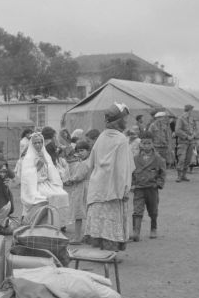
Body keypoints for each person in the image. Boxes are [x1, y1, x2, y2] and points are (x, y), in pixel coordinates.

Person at [84, 103, 134, 251]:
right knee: (112, 221)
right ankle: (110, 252)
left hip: (98, 186)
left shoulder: (101, 137)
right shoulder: (122, 140)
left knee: (101, 220)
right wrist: (124, 189)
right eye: (124, 118)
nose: (126, 121)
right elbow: (123, 168)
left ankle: (103, 251)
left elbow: (91, 162)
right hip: (113, 189)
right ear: (119, 120)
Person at [20, 131, 69, 226]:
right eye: (35, 143)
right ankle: (43, 223)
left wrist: (47, 163)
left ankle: (58, 223)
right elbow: (27, 176)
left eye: (40, 142)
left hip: (47, 183)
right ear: (32, 144)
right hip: (35, 185)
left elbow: (52, 171)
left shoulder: (46, 154)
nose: (38, 145)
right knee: (47, 197)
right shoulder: (28, 157)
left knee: (62, 194)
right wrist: (38, 166)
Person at [130, 135, 166, 241]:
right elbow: (131, 172)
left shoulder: (158, 159)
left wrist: (158, 184)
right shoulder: (135, 159)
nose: (146, 146)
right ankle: (136, 232)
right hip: (139, 188)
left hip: (152, 188)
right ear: (140, 144)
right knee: (137, 210)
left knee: (153, 210)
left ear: (152, 144)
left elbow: (162, 173)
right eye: (144, 143)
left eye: (149, 143)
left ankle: (153, 228)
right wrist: (132, 184)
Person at [63, 139, 91, 244]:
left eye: (82, 150)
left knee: (78, 214)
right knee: (87, 213)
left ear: (88, 151)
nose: (80, 153)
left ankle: (78, 237)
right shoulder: (88, 161)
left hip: (81, 188)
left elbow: (78, 177)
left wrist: (70, 180)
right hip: (88, 187)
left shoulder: (83, 163)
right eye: (78, 151)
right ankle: (88, 235)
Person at [174, 104, 196, 182]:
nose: (191, 112)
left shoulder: (191, 119)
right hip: (183, 142)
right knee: (181, 159)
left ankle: (184, 175)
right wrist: (187, 136)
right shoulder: (180, 118)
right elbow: (177, 130)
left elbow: (193, 128)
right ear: (189, 110)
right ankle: (179, 176)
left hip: (190, 142)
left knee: (188, 159)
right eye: (191, 110)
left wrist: (193, 134)